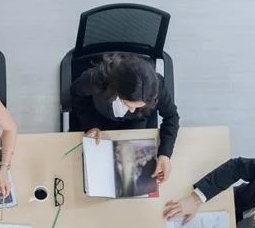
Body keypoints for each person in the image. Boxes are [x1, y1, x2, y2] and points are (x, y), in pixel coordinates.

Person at [71, 53, 180, 184]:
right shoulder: (97, 79)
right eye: (128, 104)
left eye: (138, 106)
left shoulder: (157, 87)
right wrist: (90, 125)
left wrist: (165, 154)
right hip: (99, 121)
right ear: (116, 90)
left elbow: (171, 116)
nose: (133, 109)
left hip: (135, 124)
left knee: (131, 178)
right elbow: (77, 95)